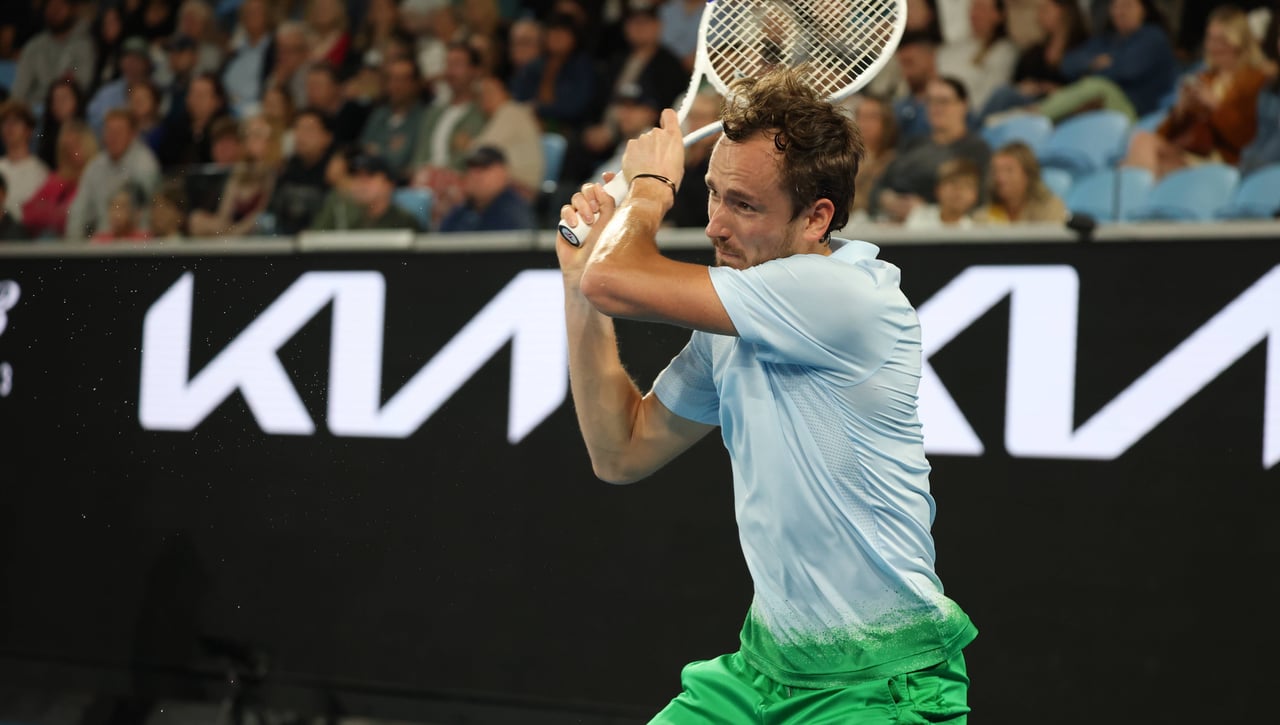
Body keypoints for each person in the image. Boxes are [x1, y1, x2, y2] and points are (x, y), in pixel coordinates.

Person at [555, 66, 976, 723]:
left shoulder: (845, 296)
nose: (715, 226)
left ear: (817, 218)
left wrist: (650, 189)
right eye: (712, 195)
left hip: (880, 683)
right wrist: (578, 288)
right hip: (761, 669)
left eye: (744, 206)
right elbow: (621, 451)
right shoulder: (736, 315)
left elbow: (617, 279)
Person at [1122, 6, 1269, 178]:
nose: (1213, 47)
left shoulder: (1255, 81)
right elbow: (1163, 135)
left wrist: (1215, 106)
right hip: (1190, 153)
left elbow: (1247, 140)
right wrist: (1181, 110)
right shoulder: (1205, 77)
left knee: (1143, 158)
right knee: (1142, 145)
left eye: (1221, 40)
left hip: (1223, 161)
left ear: (1238, 42)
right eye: (1210, 39)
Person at [873, 77, 991, 223]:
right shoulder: (914, 143)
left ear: (963, 105)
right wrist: (888, 201)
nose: (936, 108)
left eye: (944, 101)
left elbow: (978, 201)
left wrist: (924, 210)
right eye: (931, 101)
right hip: (889, 222)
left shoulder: (976, 150)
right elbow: (879, 186)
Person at [1037, 0, 1178, 121]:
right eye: (1116, 6)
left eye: (1127, 6)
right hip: (1103, 106)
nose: (1120, 12)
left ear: (1144, 9)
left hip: (1138, 112)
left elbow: (1127, 70)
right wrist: (1093, 62)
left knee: (1097, 86)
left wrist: (1094, 70)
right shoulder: (1106, 39)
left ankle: (1037, 114)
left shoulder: (1153, 37)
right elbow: (1067, 65)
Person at [979, 0, 1092, 122]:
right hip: (1027, 101)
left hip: (1058, 104)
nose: (1040, 14)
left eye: (1046, 10)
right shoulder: (1035, 51)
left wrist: (1053, 90)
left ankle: (974, 127)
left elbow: (1085, 87)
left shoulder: (1082, 49)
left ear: (1064, 12)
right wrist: (1026, 87)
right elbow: (1017, 80)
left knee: (1003, 94)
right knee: (1004, 93)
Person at [65, 108, 160, 239]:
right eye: (109, 131)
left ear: (132, 135)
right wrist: (73, 244)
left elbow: (144, 214)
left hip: (137, 241)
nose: (113, 137)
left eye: (119, 132)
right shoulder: (95, 166)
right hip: (102, 240)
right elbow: (79, 209)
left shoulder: (145, 165)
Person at [936, 0, 1020, 111]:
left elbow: (991, 95)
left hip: (969, 112)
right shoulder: (952, 48)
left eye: (982, 9)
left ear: (999, 15)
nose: (975, 14)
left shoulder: (1004, 51)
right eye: (973, 8)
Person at [470, 74, 545, 198]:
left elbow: (481, 150)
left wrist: (467, 143)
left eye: (491, 92)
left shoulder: (511, 111)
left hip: (521, 187)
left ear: (505, 92)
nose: (485, 97)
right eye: (482, 94)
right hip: (508, 182)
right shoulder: (500, 115)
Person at [10, 0, 95, 109]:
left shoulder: (84, 45)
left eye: (60, 6)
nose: (54, 11)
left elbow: (80, 80)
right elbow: (20, 88)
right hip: (34, 108)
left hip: (67, 108)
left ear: (73, 9)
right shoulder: (34, 46)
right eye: (50, 7)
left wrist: (67, 81)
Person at [23, 120, 97, 238]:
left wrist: (53, 212)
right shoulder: (56, 180)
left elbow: (83, 215)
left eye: (76, 145)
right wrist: (57, 214)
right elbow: (28, 212)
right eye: (67, 147)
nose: (72, 152)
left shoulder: (96, 176)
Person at [309, 153, 421, 231]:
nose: (360, 183)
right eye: (356, 177)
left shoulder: (404, 222)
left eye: (369, 177)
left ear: (388, 183)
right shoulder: (349, 220)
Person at [267, 107, 334, 234]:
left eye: (309, 129)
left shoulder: (335, 170)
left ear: (327, 137)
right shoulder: (285, 167)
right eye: (297, 128)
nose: (301, 135)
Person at [359, 57, 426, 182]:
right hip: (366, 180)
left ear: (415, 84)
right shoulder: (379, 115)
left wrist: (377, 151)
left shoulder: (424, 118)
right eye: (392, 79)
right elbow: (361, 152)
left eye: (402, 80)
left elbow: (400, 162)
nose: (395, 86)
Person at [438, 145, 533, 232]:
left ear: (503, 172)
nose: (475, 175)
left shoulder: (513, 212)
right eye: (471, 168)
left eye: (484, 168)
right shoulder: (462, 211)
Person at [973, 141, 1068, 223]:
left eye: (1008, 170)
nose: (1000, 178)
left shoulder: (1050, 208)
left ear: (1028, 174)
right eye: (995, 171)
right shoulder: (982, 216)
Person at [0, 101, 50, 223]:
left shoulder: (41, 172)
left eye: (15, 121)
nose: (9, 127)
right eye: (5, 122)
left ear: (29, 130)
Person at [905, 156, 982, 228]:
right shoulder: (919, 216)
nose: (959, 190)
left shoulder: (974, 230)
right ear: (938, 189)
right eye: (953, 182)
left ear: (975, 194)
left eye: (967, 185)